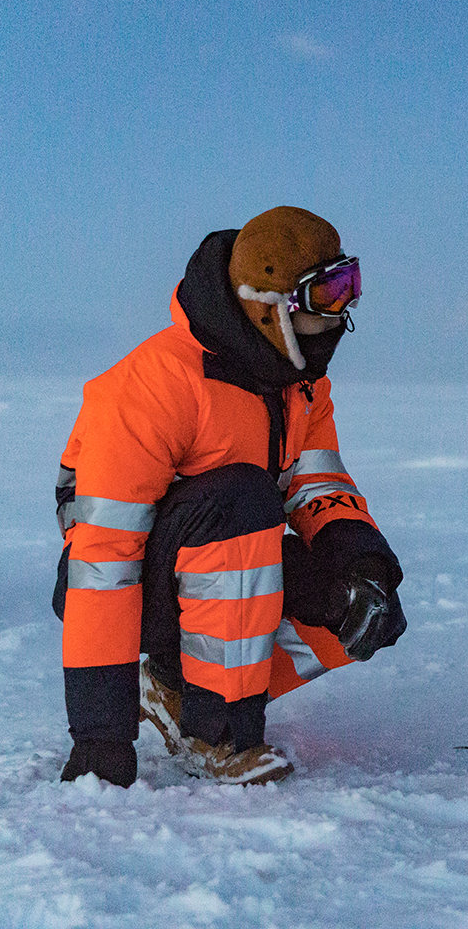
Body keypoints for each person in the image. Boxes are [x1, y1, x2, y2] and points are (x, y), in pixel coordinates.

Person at [52, 206, 405, 787]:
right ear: (272, 309)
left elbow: (318, 484)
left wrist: (359, 562)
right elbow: (102, 560)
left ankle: (179, 691)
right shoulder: (155, 388)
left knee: (363, 605)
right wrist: (101, 738)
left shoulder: (298, 387)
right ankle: (214, 732)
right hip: (129, 588)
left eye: (351, 283)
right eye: (329, 293)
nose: (346, 309)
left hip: (223, 558)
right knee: (241, 499)